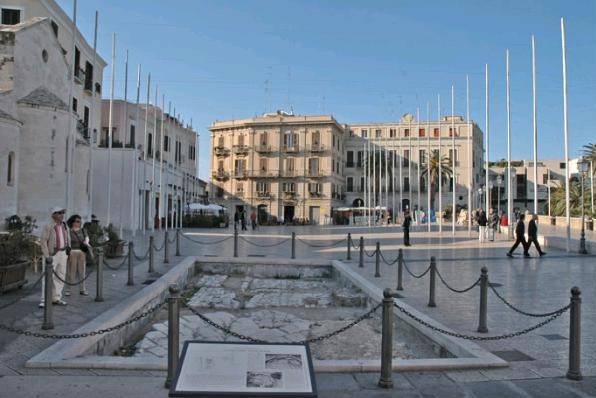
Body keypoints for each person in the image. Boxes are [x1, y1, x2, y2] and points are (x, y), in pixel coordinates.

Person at [39, 206, 71, 307]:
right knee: (48, 277)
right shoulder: (49, 226)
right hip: (52, 254)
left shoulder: (65, 225)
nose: (62, 215)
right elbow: (43, 240)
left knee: (61, 275)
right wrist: (47, 255)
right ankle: (44, 299)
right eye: (60, 213)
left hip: (63, 253)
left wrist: (68, 252)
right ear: (54, 215)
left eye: (63, 213)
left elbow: (67, 238)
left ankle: (56, 298)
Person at [65, 215, 90, 296]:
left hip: (82, 252)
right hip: (72, 252)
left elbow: (87, 238)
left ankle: (82, 289)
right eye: (77, 221)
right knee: (71, 272)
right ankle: (68, 289)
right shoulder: (69, 231)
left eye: (79, 221)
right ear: (72, 222)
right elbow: (67, 242)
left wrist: (86, 242)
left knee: (82, 271)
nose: (79, 223)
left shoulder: (83, 230)